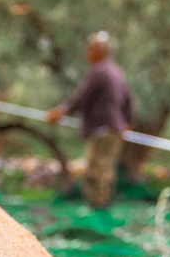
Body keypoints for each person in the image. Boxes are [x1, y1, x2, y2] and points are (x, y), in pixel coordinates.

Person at [46, 31, 134, 209]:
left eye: (90, 49)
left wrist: (61, 111)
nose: (87, 53)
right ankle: (102, 205)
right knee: (105, 169)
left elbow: (82, 97)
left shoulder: (100, 72)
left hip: (102, 130)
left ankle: (98, 207)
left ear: (98, 51)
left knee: (97, 171)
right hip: (113, 130)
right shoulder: (116, 72)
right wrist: (126, 123)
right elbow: (129, 100)